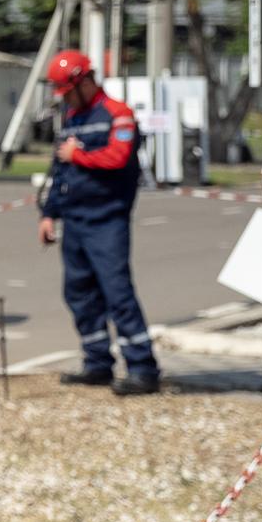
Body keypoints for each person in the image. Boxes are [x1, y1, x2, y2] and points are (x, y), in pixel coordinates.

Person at [39, 49, 158, 395]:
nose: (64, 99)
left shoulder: (118, 115)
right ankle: (96, 363)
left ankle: (143, 368)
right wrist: (48, 214)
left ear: (82, 81)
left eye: (66, 91)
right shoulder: (72, 117)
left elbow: (118, 158)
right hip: (74, 221)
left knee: (117, 293)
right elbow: (60, 171)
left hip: (107, 221)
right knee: (79, 293)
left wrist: (79, 155)